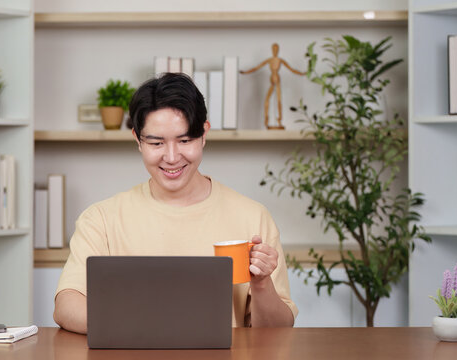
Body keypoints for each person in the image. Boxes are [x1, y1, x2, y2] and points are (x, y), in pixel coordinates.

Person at [53, 73, 297, 334]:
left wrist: (261, 284)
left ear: (204, 134)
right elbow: (66, 305)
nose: (171, 157)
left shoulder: (253, 217)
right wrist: (145, 330)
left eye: (184, 141)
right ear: (137, 139)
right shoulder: (101, 219)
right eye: (157, 143)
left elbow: (280, 330)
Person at [240, 43, 304, 130]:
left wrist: (303, 73)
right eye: (273, 49)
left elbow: (292, 69)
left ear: (278, 50)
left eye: (276, 49)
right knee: (267, 100)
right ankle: (267, 119)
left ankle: (279, 120)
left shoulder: (280, 60)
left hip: (277, 79)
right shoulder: (269, 60)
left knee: (278, 101)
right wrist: (245, 72)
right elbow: (256, 68)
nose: (275, 51)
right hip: (272, 80)